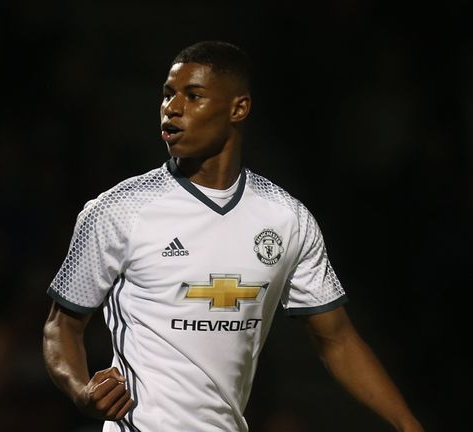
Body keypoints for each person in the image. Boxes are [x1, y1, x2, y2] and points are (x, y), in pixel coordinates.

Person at [42, 40, 423, 432]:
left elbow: (337, 339)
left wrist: (408, 424)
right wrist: (81, 391)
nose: (172, 108)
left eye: (193, 96)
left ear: (238, 108)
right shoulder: (116, 210)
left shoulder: (287, 218)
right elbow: (61, 326)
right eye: (168, 95)